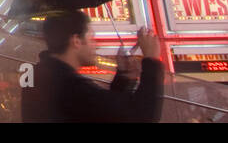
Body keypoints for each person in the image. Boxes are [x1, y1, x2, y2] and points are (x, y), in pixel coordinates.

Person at [23, 12, 164, 122]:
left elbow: (103, 112)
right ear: (76, 40)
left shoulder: (41, 76)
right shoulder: (69, 86)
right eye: (91, 38)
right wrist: (152, 60)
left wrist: (124, 77)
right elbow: (142, 116)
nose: (96, 45)